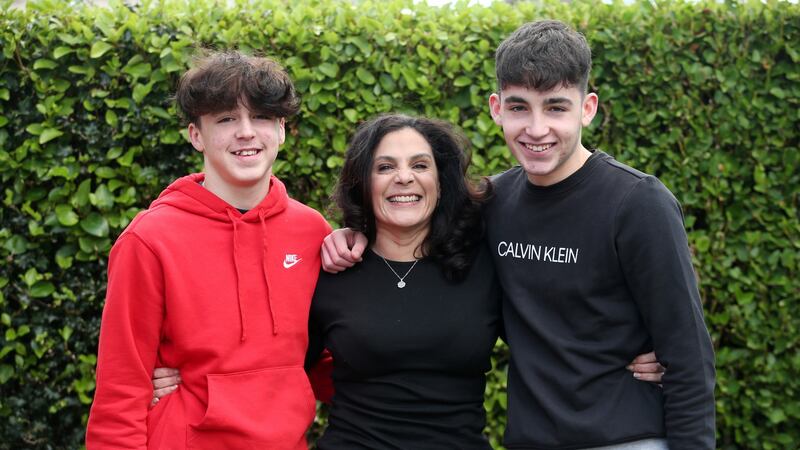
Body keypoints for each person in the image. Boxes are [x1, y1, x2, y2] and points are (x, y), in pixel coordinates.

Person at [152, 113, 664, 448]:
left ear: (441, 182)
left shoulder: (484, 266)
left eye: (420, 165)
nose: (404, 178)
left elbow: (551, 330)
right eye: (385, 167)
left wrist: (626, 356)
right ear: (364, 182)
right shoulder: (329, 269)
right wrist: (187, 382)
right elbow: (274, 361)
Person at [322, 20, 716, 449]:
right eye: (519, 107)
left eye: (556, 108)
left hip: (626, 437)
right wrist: (351, 235)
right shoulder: (491, 203)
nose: (536, 128)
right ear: (497, 108)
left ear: (587, 108)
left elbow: (688, 356)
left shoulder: (637, 203)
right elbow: (411, 230)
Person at [86, 51, 331, 449]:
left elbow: (333, 361)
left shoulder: (312, 232)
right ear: (196, 135)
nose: (246, 132)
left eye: (261, 117)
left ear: (281, 129)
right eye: (226, 119)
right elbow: (121, 390)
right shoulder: (149, 240)